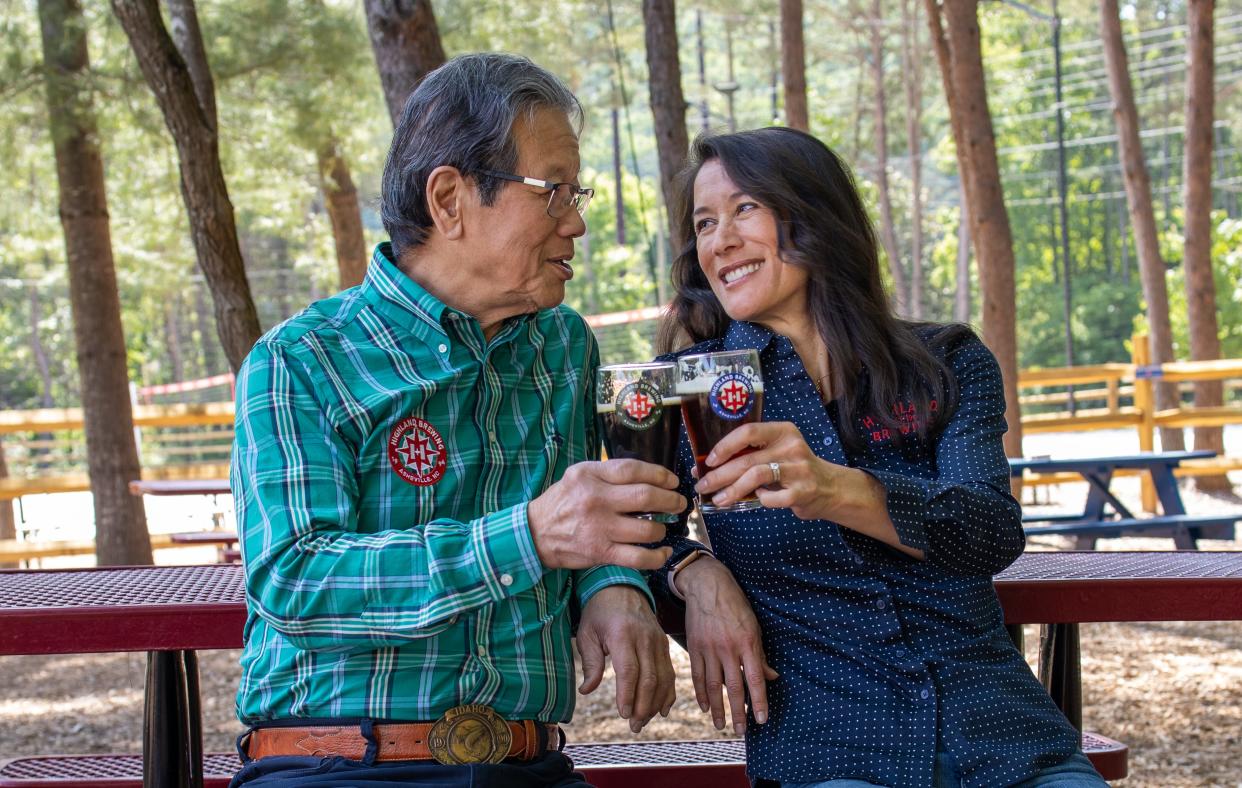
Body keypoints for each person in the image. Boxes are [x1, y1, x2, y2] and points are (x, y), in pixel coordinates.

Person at [228, 53, 686, 788]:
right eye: (556, 191)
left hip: (528, 767)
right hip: (335, 767)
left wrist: (615, 587)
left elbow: (586, 517)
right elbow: (295, 582)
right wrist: (528, 537)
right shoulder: (302, 361)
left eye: (579, 192)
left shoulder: (563, 348)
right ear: (450, 199)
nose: (577, 222)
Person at [652, 127, 1109, 788]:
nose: (718, 241)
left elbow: (991, 531)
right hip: (833, 749)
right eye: (703, 223)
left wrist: (838, 489)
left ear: (813, 214)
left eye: (745, 208)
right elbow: (632, 533)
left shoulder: (945, 362)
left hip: (1003, 740)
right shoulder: (685, 387)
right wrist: (695, 571)